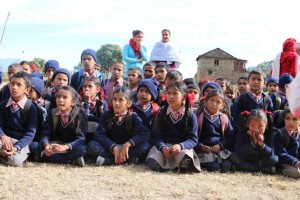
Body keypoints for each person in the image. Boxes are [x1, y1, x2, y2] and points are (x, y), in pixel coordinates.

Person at [87, 86, 151, 166]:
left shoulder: (133, 116)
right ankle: (126, 160)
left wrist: (128, 144)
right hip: (110, 148)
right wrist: (113, 147)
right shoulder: (106, 115)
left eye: (121, 100)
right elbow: (99, 135)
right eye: (115, 99)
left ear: (129, 103)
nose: (116, 103)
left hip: (127, 149)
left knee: (146, 146)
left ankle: (109, 160)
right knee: (92, 145)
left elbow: (145, 133)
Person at [146, 82, 201, 172]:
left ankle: (178, 165)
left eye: (175, 93)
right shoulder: (162, 112)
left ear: (184, 96)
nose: (171, 97)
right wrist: (162, 147)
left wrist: (180, 146)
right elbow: (156, 136)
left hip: (182, 148)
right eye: (169, 93)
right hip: (164, 147)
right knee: (152, 162)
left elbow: (193, 139)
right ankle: (171, 165)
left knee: (185, 159)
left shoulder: (190, 115)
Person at [39, 86, 87, 167]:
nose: (60, 100)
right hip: (55, 145)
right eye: (58, 96)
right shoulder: (52, 113)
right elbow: (45, 134)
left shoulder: (79, 115)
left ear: (73, 102)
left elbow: (81, 138)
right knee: (34, 146)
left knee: (83, 149)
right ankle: (71, 161)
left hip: (70, 147)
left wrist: (66, 147)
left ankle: (47, 156)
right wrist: (46, 145)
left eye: (65, 97)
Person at [0, 71, 38, 167]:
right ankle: (4, 153)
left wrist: (17, 147)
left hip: (20, 142)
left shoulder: (31, 108)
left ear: (27, 89)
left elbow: (30, 133)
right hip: (5, 139)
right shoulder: (3, 105)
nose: (14, 87)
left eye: (19, 85)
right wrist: (3, 136)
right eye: (12, 83)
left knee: (15, 161)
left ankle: (9, 155)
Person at [196, 89, 234, 172]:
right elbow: (193, 136)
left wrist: (220, 145)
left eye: (218, 102)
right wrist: (200, 146)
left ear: (223, 105)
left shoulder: (224, 118)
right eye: (211, 100)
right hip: (204, 151)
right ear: (205, 101)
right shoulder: (198, 117)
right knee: (214, 167)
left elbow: (231, 137)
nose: (214, 104)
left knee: (226, 167)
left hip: (219, 149)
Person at [231, 109, 278, 174]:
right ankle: (260, 169)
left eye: (260, 126)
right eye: (252, 125)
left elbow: (271, 153)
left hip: (260, 161)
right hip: (246, 159)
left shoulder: (268, 133)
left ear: (266, 125)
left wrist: (262, 145)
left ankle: (247, 168)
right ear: (248, 125)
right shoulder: (243, 132)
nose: (256, 130)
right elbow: (238, 152)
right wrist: (253, 143)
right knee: (232, 155)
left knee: (275, 159)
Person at [274, 108, 300, 178]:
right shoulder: (280, 134)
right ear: (284, 120)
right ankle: (279, 170)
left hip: (297, 161)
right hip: (285, 161)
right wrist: (295, 162)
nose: (291, 122)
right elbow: (281, 153)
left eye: (295, 119)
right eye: (288, 118)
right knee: (296, 173)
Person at [82, 76, 108, 142]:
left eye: (90, 86)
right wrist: (87, 104)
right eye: (84, 86)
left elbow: (104, 121)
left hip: (97, 137)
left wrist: (91, 116)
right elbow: (82, 120)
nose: (86, 89)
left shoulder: (102, 103)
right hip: (81, 136)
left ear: (98, 89)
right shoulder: (78, 102)